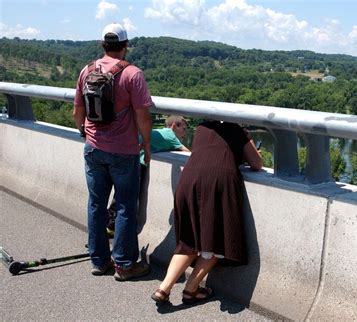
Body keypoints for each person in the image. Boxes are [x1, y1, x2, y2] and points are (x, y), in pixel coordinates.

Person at [73, 22, 153, 281]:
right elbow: (143, 116)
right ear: (126, 46)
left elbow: (78, 111)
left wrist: (86, 134)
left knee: (96, 204)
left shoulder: (87, 70)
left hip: (93, 148)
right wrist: (147, 144)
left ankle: (99, 261)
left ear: (103, 45)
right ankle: (125, 265)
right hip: (124, 152)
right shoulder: (133, 74)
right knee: (125, 207)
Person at [151, 121, 262, 304]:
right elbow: (257, 164)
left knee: (189, 240)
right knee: (215, 240)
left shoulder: (202, 127)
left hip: (188, 181)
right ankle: (191, 289)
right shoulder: (237, 131)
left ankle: (163, 288)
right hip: (217, 184)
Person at [106, 115, 191, 237]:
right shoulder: (170, 135)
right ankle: (113, 228)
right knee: (129, 200)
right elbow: (189, 154)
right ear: (174, 126)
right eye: (183, 129)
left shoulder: (162, 133)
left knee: (120, 195)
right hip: (136, 163)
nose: (185, 133)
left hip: (124, 157)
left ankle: (107, 227)